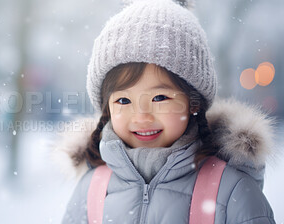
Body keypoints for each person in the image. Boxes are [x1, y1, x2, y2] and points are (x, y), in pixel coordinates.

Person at [56, 0, 276, 223]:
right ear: (107, 108)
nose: (141, 116)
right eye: (123, 100)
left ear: (193, 102)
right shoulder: (92, 191)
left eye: (159, 98)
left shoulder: (230, 192)